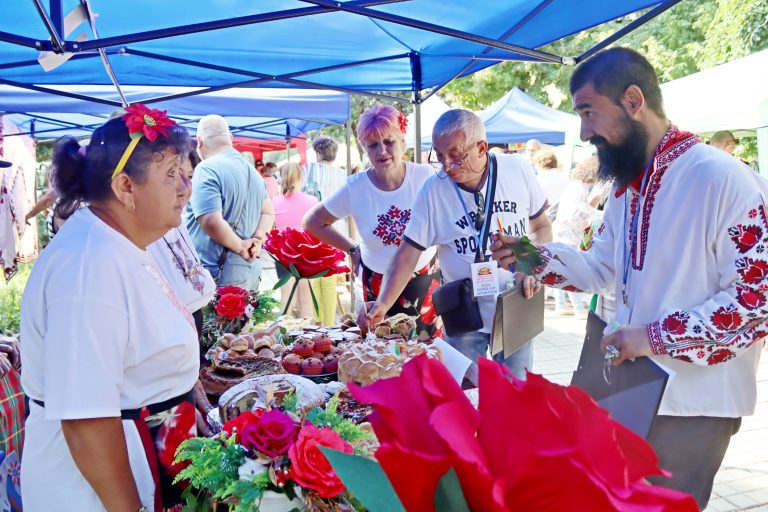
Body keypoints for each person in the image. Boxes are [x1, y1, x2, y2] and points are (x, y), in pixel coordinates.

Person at [490, 47, 766, 509]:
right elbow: (602, 268)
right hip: (634, 391)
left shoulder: (723, 179)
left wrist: (653, 338)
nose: (584, 131)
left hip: (694, 403)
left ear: (634, 101)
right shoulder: (629, 188)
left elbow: (756, 303)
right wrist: (527, 256)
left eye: (588, 112)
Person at [21, 107, 199, 511]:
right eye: (171, 173)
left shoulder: (116, 243)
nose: (185, 187)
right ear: (125, 186)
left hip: (142, 455)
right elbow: (86, 417)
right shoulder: (90, 267)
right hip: (93, 489)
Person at [364, 109, 552, 376]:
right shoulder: (433, 190)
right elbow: (408, 253)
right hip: (463, 310)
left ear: (481, 147)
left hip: (516, 302)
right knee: (464, 395)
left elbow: (542, 226)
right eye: (439, 156)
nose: (446, 166)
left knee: (516, 394)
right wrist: (382, 303)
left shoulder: (517, 170)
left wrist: (531, 267)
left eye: (455, 155)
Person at [304, 104, 440, 334]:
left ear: (403, 142)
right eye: (373, 145)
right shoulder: (355, 187)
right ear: (364, 149)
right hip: (377, 280)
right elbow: (313, 222)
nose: (382, 151)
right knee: (381, 354)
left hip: (423, 277)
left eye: (389, 142)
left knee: (427, 354)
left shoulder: (426, 177)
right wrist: (351, 248)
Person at [187, 114, 275, 291]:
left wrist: (241, 248)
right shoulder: (253, 172)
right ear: (231, 139)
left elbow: (211, 220)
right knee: (244, 320)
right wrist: (257, 239)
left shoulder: (207, 168)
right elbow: (268, 212)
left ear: (199, 142)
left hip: (217, 276)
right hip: (249, 272)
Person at [148, 150, 216, 340]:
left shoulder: (174, 216)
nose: (185, 188)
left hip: (192, 314)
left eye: (190, 176)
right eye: (174, 174)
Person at [551, 156, 599, 318]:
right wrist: (589, 220)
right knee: (570, 271)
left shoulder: (575, 185)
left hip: (563, 233)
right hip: (568, 235)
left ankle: (562, 305)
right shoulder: (580, 188)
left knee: (562, 270)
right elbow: (575, 215)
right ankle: (577, 307)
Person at [273, 162, 318, 318]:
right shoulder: (312, 201)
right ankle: (307, 339)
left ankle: (281, 338)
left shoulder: (274, 202)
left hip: (283, 254)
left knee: (286, 299)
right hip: (306, 253)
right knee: (306, 301)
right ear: (301, 178)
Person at [533, 149, 568, 221]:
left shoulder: (540, 178)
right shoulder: (564, 176)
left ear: (540, 163)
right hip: (563, 215)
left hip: (547, 216)